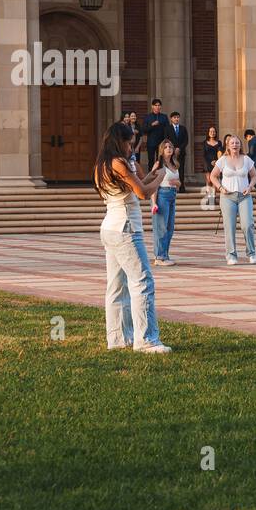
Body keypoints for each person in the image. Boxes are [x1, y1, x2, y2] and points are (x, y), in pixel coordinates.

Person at [94, 122, 170, 353]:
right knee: (142, 281)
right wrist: (162, 177)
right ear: (120, 141)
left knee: (117, 286)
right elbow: (143, 193)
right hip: (126, 228)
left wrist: (150, 175)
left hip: (111, 226)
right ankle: (146, 340)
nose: (132, 146)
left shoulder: (102, 164)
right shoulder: (118, 162)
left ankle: (117, 339)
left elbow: (134, 187)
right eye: (130, 142)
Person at [210, 134, 256, 265]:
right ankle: (231, 255)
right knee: (229, 226)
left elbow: (254, 176)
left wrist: (250, 187)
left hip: (244, 196)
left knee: (247, 224)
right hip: (227, 197)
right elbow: (213, 176)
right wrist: (220, 188)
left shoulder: (247, 159)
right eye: (232, 143)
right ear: (228, 145)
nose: (235, 145)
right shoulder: (222, 160)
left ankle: (251, 253)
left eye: (237, 143)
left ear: (240, 145)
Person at [150, 138, 181, 266]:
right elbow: (153, 185)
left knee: (170, 228)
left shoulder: (174, 164)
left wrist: (177, 183)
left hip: (172, 195)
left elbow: (178, 183)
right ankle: (159, 256)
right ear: (161, 150)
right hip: (162, 195)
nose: (169, 149)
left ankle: (165, 255)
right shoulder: (159, 165)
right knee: (161, 227)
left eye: (171, 147)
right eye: (166, 147)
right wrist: (154, 202)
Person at [167, 111, 189, 191]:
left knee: (181, 169)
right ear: (171, 119)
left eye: (177, 117)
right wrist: (173, 149)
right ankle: (172, 187)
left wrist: (179, 148)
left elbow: (186, 140)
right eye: (174, 117)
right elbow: (166, 140)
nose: (176, 119)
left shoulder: (183, 128)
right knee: (171, 169)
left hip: (181, 152)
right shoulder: (167, 128)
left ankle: (182, 186)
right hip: (171, 153)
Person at [144, 99, 169, 166]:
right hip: (151, 143)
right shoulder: (148, 117)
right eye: (156, 105)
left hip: (161, 142)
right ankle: (151, 175)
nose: (157, 107)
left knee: (160, 161)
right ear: (152, 106)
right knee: (151, 161)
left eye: (159, 105)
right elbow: (144, 130)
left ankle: (160, 176)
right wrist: (152, 125)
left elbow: (167, 130)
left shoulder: (164, 117)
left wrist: (166, 141)